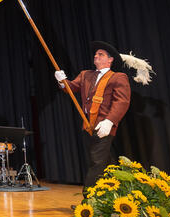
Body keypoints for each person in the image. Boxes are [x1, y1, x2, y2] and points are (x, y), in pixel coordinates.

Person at [55, 41, 131, 191]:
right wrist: (62, 82)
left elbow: (122, 101)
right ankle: (117, 192)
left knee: (96, 162)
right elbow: (71, 88)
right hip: (88, 125)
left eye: (100, 54)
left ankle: (88, 200)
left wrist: (109, 121)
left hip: (104, 126)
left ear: (110, 60)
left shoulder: (118, 77)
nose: (96, 56)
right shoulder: (85, 75)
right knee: (104, 162)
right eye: (95, 54)